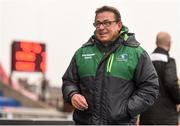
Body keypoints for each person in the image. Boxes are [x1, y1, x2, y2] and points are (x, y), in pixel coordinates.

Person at [62, 6, 159, 125]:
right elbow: (68, 81)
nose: (101, 27)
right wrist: (73, 94)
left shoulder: (136, 53)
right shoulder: (82, 53)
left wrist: (126, 110)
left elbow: (150, 88)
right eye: (98, 24)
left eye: (107, 23)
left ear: (119, 25)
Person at [140, 32, 180, 125]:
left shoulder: (146, 60)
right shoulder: (168, 61)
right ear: (169, 44)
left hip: (146, 115)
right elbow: (171, 83)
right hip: (166, 117)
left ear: (156, 43)